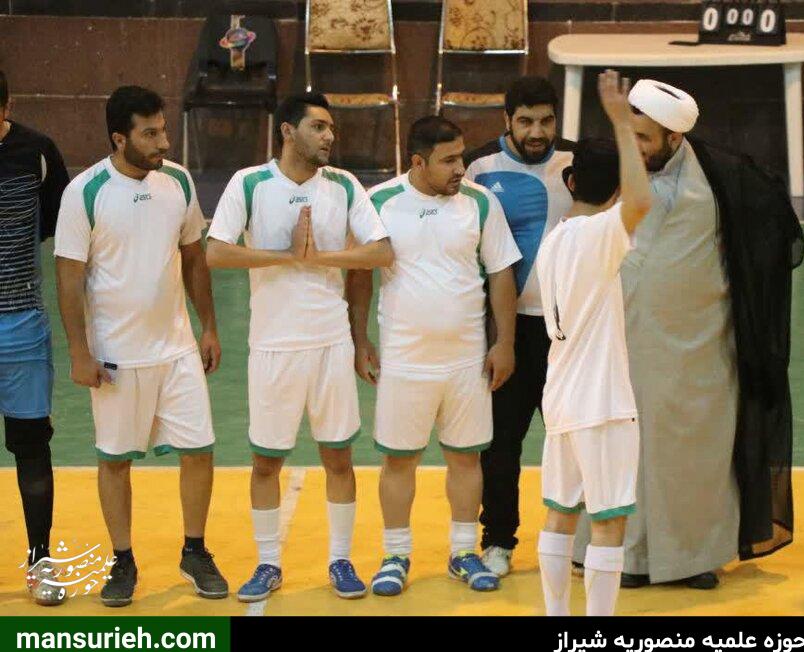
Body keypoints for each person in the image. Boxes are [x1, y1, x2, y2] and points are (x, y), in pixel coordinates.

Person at [573, 78, 803, 589]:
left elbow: (773, 237)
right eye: (629, 134)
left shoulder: (723, 178)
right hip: (626, 343)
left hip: (701, 348)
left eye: (644, 138)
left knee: (696, 455)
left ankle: (693, 558)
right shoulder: (616, 173)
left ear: (674, 138)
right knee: (626, 451)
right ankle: (627, 557)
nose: (634, 147)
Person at [206, 93, 393, 602]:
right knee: (266, 463)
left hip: (331, 343)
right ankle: (268, 563)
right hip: (272, 346)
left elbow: (380, 251)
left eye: (331, 128)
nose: (330, 136)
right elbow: (216, 252)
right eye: (318, 127)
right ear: (288, 131)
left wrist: (320, 258)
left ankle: (340, 560)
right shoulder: (249, 183)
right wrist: (286, 255)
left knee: (339, 459)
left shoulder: (344, 185)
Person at [54, 86, 227, 606]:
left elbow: (194, 257)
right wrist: (79, 353)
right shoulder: (84, 192)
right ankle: (123, 560)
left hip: (176, 348)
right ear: (119, 138)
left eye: (163, 130)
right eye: (150, 134)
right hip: (116, 355)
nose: (163, 142)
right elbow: (69, 277)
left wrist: (209, 326)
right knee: (115, 460)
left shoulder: (178, 181)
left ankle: (194, 551)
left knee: (199, 450)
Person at [349, 116, 521, 596]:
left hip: (467, 361)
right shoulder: (379, 202)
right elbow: (360, 276)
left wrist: (504, 342)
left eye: (461, 157)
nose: (460, 168)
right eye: (448, 160)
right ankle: (395, 555)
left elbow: (501, 273)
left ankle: (463, 552)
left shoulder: (480, 203)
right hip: (404, 361)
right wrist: (360, 339)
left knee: (466, 458)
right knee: (399, 461)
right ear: (418, 162)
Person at [534, 69, 651, 616]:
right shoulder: (598, 235)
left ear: (571, 182)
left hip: (560, 400)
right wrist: (622, 123)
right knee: (608, 521)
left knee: (560, 514)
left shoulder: (554, 240)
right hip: (601, 404)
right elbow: (641, 201)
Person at [464, 75, 575, 576]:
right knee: (501, 444)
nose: (537, 132)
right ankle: (498, 540)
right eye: (526, 121)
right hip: (509, 331)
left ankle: (577, 540)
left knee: (572, 440)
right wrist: (495, 336)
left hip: (570, 332)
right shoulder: (478, 167)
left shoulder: (577, 162)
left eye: (546, 121)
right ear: (507, 119)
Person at [0, 69, 69, 605]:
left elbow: (56, 226)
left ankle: (40, 560)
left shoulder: (37, 152)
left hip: (20, 327)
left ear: (7, 106)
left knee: (30, 447)